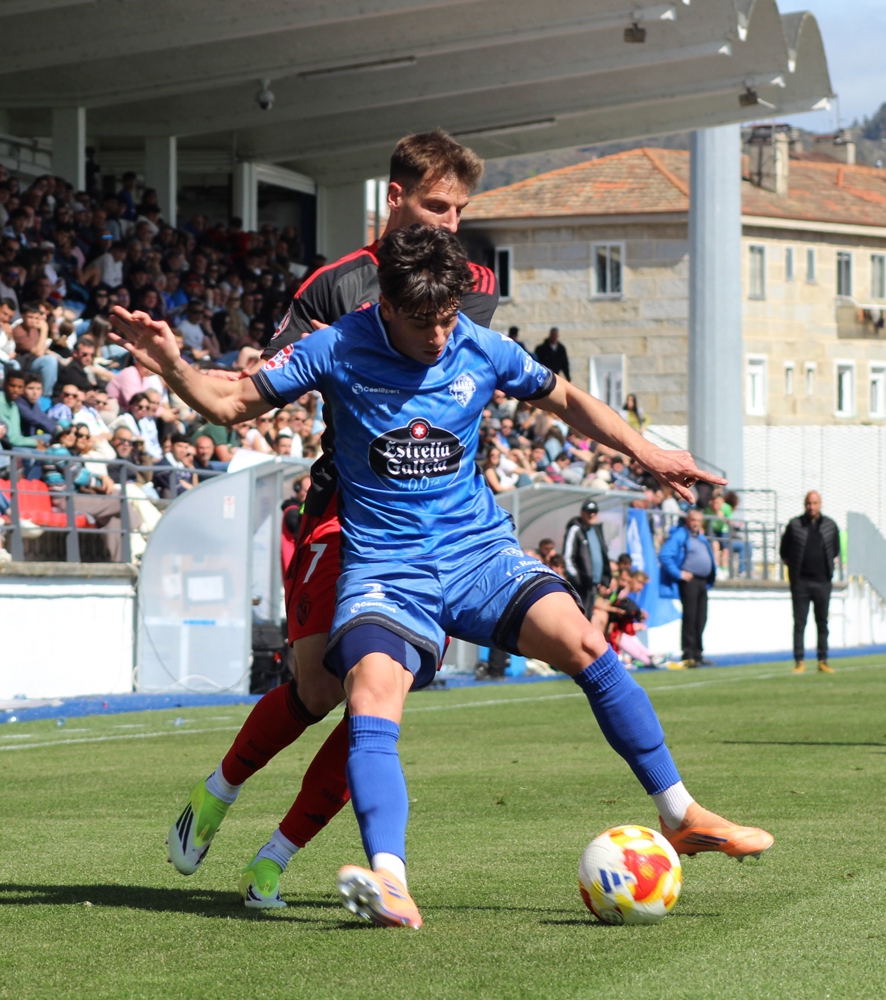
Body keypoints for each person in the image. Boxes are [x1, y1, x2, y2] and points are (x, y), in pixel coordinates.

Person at [111, 223, 769, 930]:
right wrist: (175, 368)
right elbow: (232, 404)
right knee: (366, 695)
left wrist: (646, 452)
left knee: (585, 644)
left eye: (447, 317)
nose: (437, 335)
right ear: (385, 306)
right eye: (422, 321)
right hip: (388, 569)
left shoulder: (479, 346)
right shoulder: (336, 346)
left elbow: (566, 400)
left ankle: (680, 813)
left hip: (479, 554)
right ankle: (389, 879)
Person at [135, 129, 503, 910]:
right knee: (313, 688)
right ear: (394, 196)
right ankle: (218, 792)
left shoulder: (472, 280)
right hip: (341, 510)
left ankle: (274, 857)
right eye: (436, 204)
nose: (448, 222)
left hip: (431, 529)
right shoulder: (333, 288)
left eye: (459, 209)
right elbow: (264, 384)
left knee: (376, 692)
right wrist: (181, 368)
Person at [779, 490, 839, 674]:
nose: (811, 507)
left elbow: (835, 550)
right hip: (801, 583)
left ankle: (823, 660)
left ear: (820, 504)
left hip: (823, 583)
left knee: (822, 623)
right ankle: (799, 661)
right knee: (799, 623)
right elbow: (784, 552)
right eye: (808, 503)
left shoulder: (830, 526)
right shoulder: (795, 525)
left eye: (814, 503)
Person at [660, 507, 716, 668]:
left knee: (701, 617)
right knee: (690, 617)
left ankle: (698, 653)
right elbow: (665, 555)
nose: (696, 523)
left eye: (698, 520)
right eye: (693, 520)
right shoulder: (680, 535)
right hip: (689, 581)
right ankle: (689, 654)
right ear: (687, 520)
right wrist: (679, 574)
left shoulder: (700, 537)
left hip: (702, 581)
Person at [562, 499, 612, 617]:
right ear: (582, 513)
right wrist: (577, 579)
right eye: (588, 511)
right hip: (581, 585)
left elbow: (603, 555)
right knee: (578, 617)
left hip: (593, 585)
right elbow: (568, 556)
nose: (591, 515)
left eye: (594, 512)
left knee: (587, 617)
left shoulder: (597, 530)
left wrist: (605, 579)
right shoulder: (575, 529)